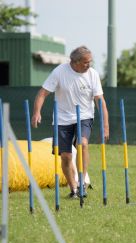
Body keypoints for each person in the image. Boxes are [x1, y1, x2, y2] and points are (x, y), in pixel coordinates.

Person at [31, 45, 109, 198]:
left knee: (83, 144)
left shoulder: (92, 74)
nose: (89, 65)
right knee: (65, 156)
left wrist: (105, 126)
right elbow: (42, 93)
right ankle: (73, 189)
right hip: (62, 118)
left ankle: (81, 182)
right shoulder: (60, 72)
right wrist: (36, 112)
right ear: (75, 62)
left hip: (84, 115)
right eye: (86, 62)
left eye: (90, 62)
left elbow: (100, 100)